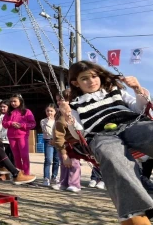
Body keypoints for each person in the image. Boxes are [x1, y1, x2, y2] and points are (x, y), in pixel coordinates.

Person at [60, 60, 153, 224]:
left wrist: (137, 89)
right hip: (101, 134)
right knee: (112, 157)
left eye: (94, 76)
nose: (91, 81)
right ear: (76, 82)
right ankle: (137, 209)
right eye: (85, 79)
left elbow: (138, 109)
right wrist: (68, 118)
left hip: (131, 124)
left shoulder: (116, 91)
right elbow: (78, 133)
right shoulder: (75, 105)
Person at [51, 89, 82, 192]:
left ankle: (74, 184)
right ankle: (63, 182)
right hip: (62, 143)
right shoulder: (58, 114)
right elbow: (56, 130)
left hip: (72, 143)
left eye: (62, 100)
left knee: (74, 163)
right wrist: (54, 139)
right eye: (57, 100)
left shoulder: (73, 113)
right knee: (64, 164)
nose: (59, 102)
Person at [2, 94, 36, 176]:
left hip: (22, 136)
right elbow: (4, 123)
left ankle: (26, 174)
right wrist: (11, 123)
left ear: (20, 101)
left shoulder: (27, 112)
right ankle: (20, 174)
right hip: (11, 136)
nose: (13, 103)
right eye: (11, 102)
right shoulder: (9, 113)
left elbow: (33, 124)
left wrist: (22, 125)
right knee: (16, 156)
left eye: (15, 101)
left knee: (24, 155)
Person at [40, 103, 59, 187]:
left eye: (51, 111)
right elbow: (46, 131)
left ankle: (54, 177)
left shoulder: (58, 120)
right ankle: (46, 178)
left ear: (55, 111)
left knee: (57, 160)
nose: (49, 112)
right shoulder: (43, 121)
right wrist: (49, 120)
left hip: (57, 142)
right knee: (48, 159)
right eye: (48, 111)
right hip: (48, 141)